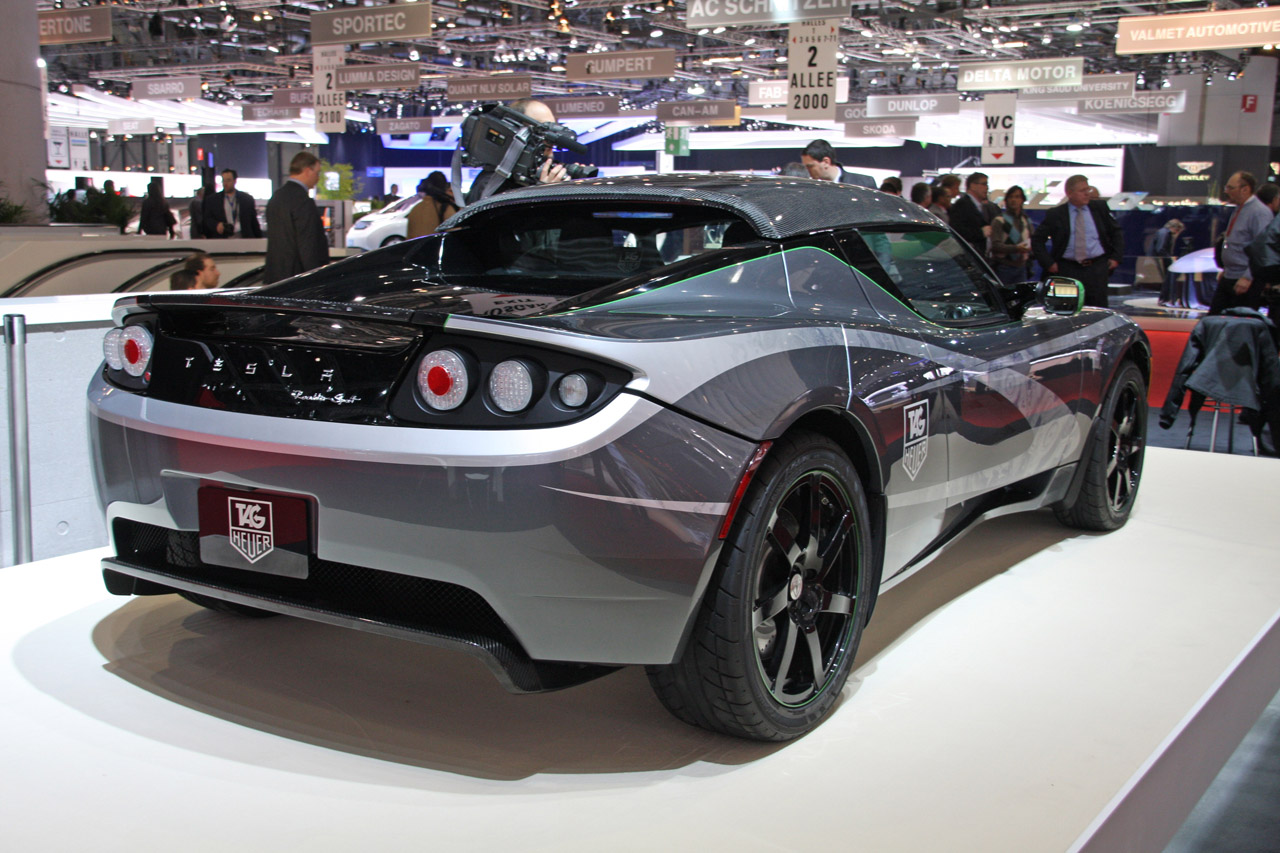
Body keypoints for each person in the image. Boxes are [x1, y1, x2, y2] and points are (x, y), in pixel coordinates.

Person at [1031, 174, 1125, 308]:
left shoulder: (1099, 208)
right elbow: (1037, 240)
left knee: (1097, 309)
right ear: (1070, 193)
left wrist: (1116, 257)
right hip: (1067, 269)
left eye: (1088, 189)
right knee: (1066, 307)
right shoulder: (1056, 214)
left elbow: (1116, 232)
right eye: (1082, 191)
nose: (1087, 194)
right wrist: (1049, 263)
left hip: (1096, 268)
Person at [465, 99, 572, 204]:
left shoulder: (533, 178)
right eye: (541, 129)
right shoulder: (491, 184)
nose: (550, 138)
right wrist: (543, 196)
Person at [1209, 171, 1273, 315]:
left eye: (1230, 188)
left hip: (1245, 280)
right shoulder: (1239, 209)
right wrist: (1227, 269)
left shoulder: (1259, 212)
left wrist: (1247, 277)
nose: (1226, 192)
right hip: (1230, 276)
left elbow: (1263, 248)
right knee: (1215, 318)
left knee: (1239, 322)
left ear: (1245, 189)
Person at [263, 151, 328, 285]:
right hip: (297, 279)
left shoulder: (276, 197)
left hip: (275, 277)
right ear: (307, 171)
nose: (318, 178)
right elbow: (308, 245)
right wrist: (317, 279)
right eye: (317, 173)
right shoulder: (303, 201)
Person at [988, 185, 1033, 285]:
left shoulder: (1026, 220)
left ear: (1022, 200)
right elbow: (995, 245)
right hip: (1004, 267)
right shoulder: (999, 220)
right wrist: (1016, 248)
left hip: (1022, 267)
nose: (1013, 200)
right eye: (1011, 197)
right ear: (1006, 200)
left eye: (1017, 197)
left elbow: (1032, 239)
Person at [949, 172, 1000, 258]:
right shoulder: (962, 205)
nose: (987, 188)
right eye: (984, 184)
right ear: (972, 186)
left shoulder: (984, 206)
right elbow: (958, 231)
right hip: (969, 256)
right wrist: (980, 233)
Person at [203, 168, 263, 239]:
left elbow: (253, 222)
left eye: (228, 180)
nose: (225, 183)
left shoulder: (247, 199)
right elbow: (207, 219)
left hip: (243, 238)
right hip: (222, 239)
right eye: (223, 180)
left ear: (235, 181)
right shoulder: (213, 200)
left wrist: (259, 239)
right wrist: (216, 225)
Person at [800, 140, 876, 189]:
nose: (807, 170)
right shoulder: (811, 188)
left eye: (810, 166)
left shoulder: (864, 183)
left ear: (826, 162)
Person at [407, 171, 459, 240]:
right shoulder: (446, 209)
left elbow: (409, 239)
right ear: (444, 187)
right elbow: (456, 237)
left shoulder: (415, 210)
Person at [1153, 219, 1189, 307]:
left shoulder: (1163, 232)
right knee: (1168, 280)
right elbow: (1160, 249)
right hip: (1161, 259)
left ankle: (1166, 298)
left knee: (1168, 279)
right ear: (1175, 228)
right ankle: (1166, 298)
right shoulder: (1165, 233)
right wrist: (1170, 259)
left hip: (1162, 258)